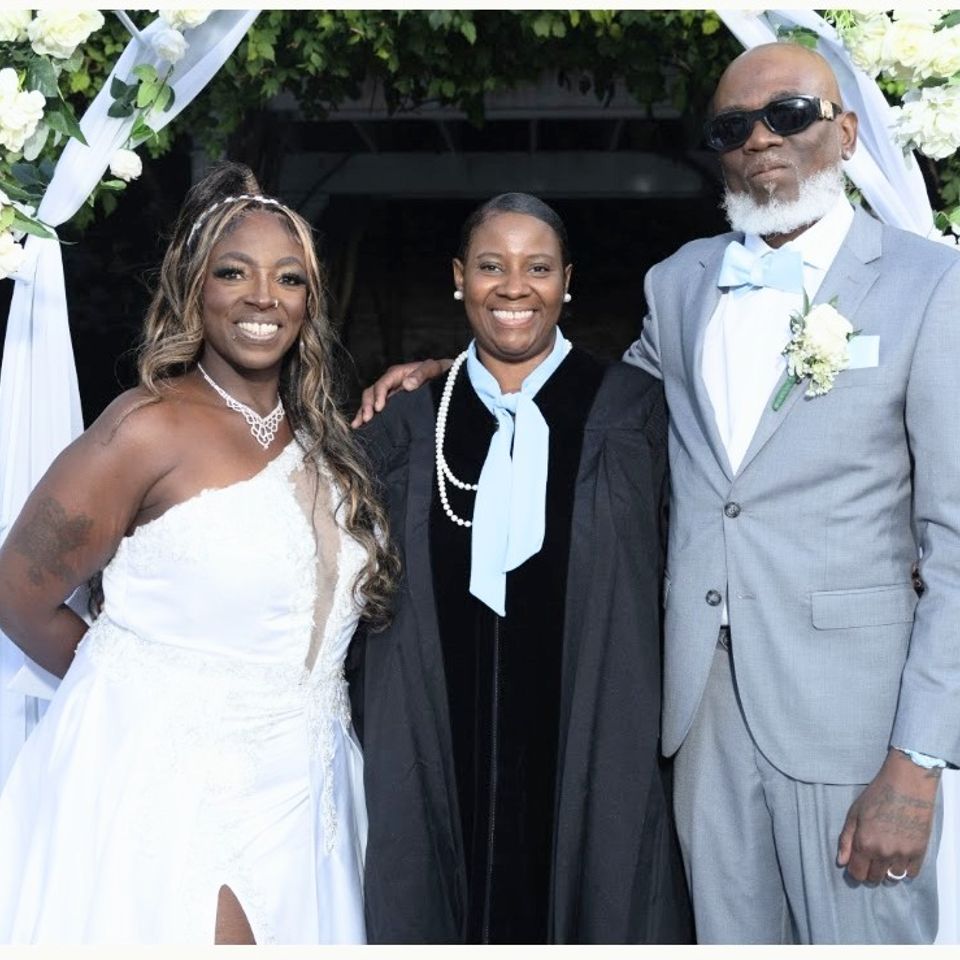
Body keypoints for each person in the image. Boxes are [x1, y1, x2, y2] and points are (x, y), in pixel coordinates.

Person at [352, 43, 960, 945]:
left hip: (849, 725)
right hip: (699, 723)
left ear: (846, 129)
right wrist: (461, 370)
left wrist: (918, 759)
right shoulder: (683, 284)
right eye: (732, 126)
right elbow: (589, 397)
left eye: (788, 115)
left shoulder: (930, 284)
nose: (761, 139)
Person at [0, 161, 398, 944]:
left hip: (312, 788)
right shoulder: (144, 426)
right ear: (195, 287)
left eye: (288, 278)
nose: (262, 298)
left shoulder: (328, 443)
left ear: (308, 302)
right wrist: (138, 696)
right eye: (233, 273)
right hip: (168, 786)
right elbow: (17, 591)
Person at [348, 193, 692, 943]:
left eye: (537, 268)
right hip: (434, 736)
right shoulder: (405, 423)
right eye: (490, 267)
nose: (513, 287)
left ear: (566, 281)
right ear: (458, 279)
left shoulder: (636, 414)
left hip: (597, 730)